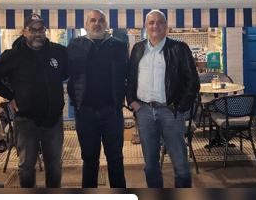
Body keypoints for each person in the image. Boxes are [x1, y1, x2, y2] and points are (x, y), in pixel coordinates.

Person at [0, 13, 68, 188]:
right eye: (33, 30)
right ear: (24, 31)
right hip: (26, 121)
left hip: (53, 120)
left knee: (54, 165)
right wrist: (11, 96)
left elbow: (66, 73)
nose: (38, 34)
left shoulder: (58, 51)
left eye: (41, 29)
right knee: (26, 166)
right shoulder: (13, 55)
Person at [126, 10, 200, 188]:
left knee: (180, 165)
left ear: (166, 27)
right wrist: (132, 102)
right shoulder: (138, 49)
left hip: (170, 112)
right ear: (146, 26)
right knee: (150, 166)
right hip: (143, 112)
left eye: (159, 22)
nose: (155, 26)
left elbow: (193, 81)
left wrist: (180, 107)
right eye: (151, 22)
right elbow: (130, 78)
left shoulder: (179, 48)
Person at [67, 10, 127, 188]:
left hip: (112, 111)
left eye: (101, 20)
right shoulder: (75, 45)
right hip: (85, 112)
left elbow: (128, 75)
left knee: (116, 159)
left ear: (106, 24)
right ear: (86, 24)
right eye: (93, 20)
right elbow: (68, 74)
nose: (97, 24)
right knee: (89, 159)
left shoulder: (119, 46)